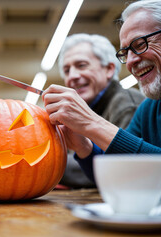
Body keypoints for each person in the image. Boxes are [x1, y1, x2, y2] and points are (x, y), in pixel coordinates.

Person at [42, 0, 161, 215]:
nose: (131, 61)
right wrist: (84, 148)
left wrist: (90, 123)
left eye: (139, 44)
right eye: (125, 52)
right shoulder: (148, 108)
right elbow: (121, 175)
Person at [57, 33, 145, 188]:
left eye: (81, 65)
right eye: (66, 70)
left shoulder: (127, 105)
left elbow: (120, 168)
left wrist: (43, 165)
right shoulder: (80, 111)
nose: (72, 76)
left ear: (109, 69)